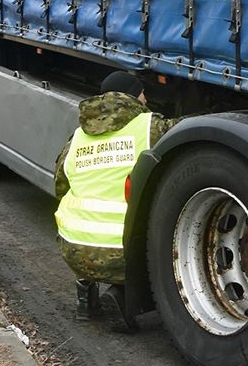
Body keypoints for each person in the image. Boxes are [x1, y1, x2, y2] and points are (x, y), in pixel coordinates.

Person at [53, 71, 179, 324]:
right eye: (142, 93)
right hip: (122, 254)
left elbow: (60, 186)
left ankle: (85, 298)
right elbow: (186, 130)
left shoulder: (77, 137)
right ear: (133, 96)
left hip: (73, 249)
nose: (145, 99)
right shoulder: (150, 127)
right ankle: (123, 297)